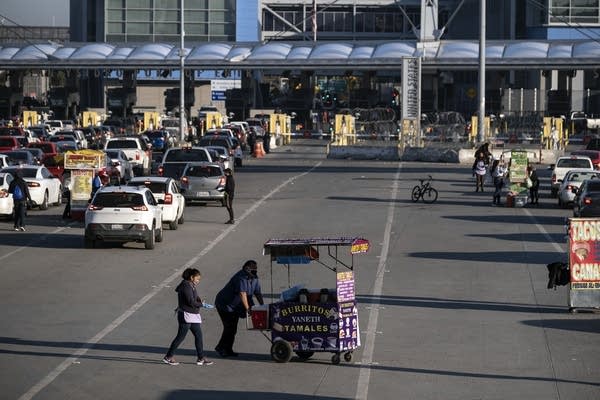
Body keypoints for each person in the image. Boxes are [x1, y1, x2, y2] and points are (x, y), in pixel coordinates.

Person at [163, 268, 213, 366]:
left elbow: (195, 297)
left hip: (192, 315)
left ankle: (201, 358)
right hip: (185, 315)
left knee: (198, 336)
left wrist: (200, 301)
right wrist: (202, 305)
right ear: (191, 277)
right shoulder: (186, 286)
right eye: (197, 279)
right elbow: (190, 301)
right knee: (180, 337)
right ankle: (168, 357)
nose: (198, 281)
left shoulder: (191, 285)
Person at [214, 260, 264, 357]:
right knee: (229, 327)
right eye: (252, 270)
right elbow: (242, 294)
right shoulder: (241, 277)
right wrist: (248, 309)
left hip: (236, 306)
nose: (254, 272)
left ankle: (228, 349)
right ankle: (221, 347)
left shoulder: (254, 278)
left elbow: (257, 292)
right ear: (246, 269)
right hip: (225, 305)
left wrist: (263, 306)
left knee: (233, 328)